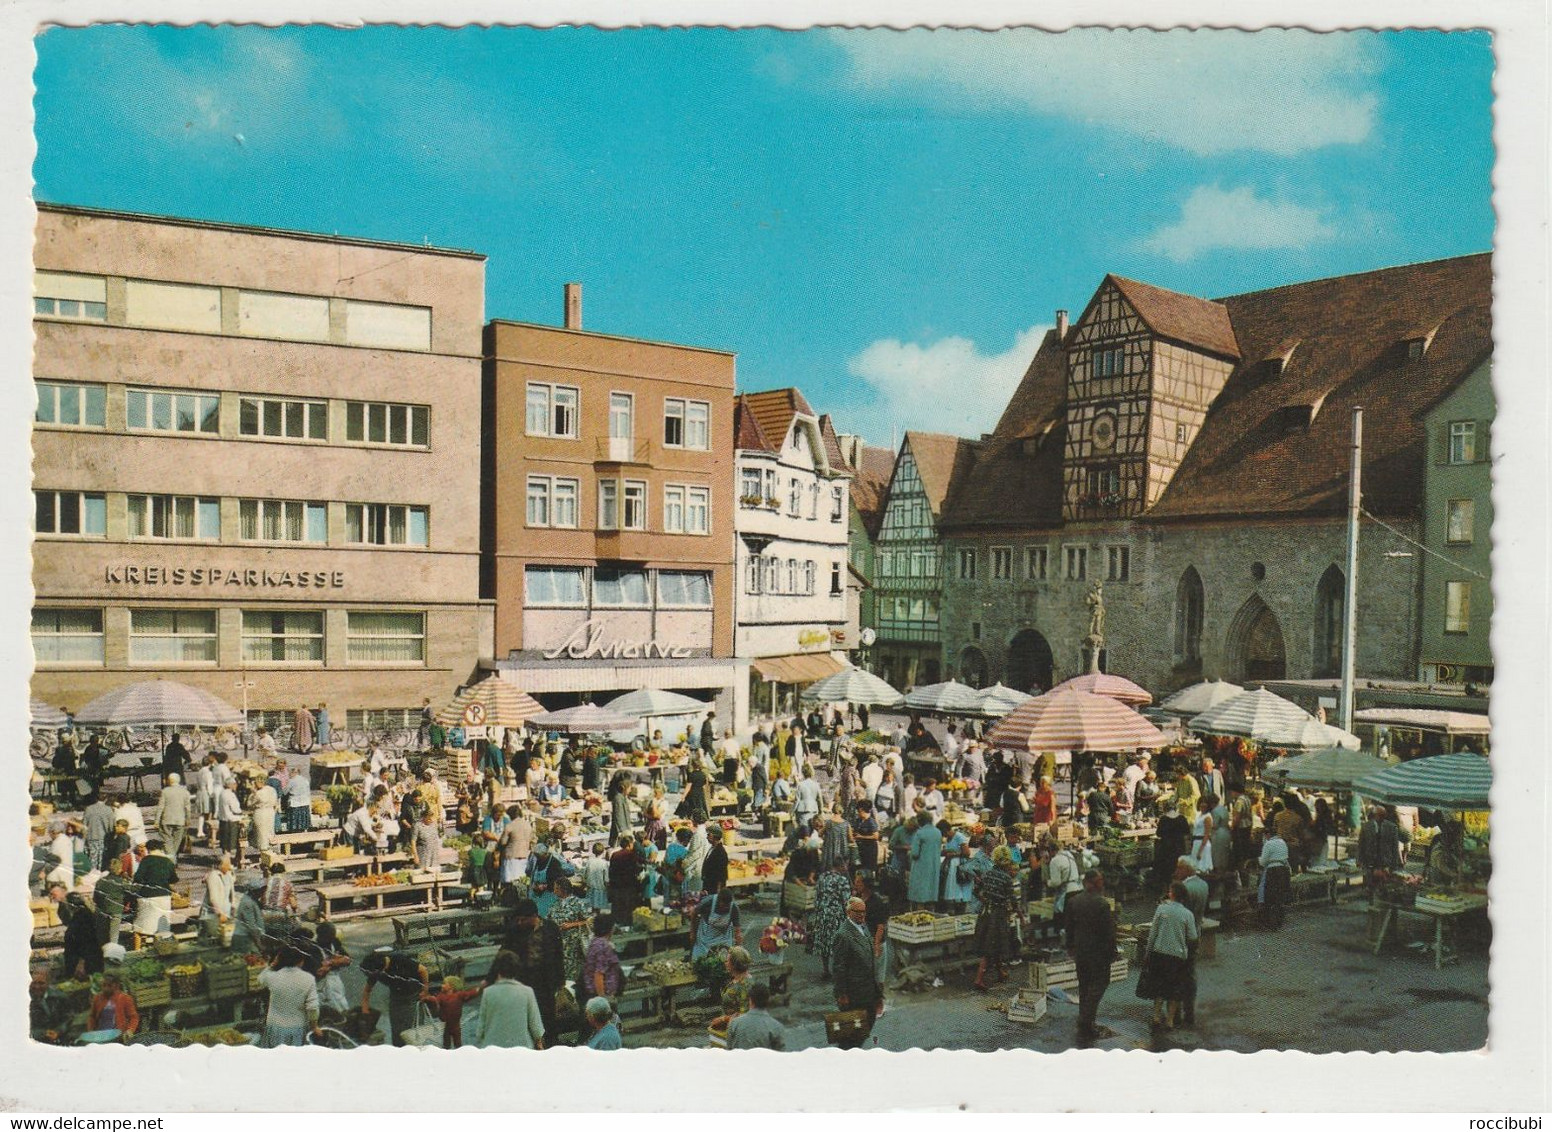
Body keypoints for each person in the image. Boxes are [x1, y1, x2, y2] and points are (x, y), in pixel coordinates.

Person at [1064, 868, 1119, 1045]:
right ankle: (1086, 1020)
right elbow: (1109, 933)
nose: (1101, 884)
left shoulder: (1074, 902)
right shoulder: (1102, 904)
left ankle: (1085, 1019)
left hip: (1081, 952)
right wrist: (1113, 953)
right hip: (1099, 953)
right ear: (1092, 883)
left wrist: (1070, 947)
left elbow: (1069, 928)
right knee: (1099, 984)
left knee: (1084, 985)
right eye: (1099, 881)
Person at [503, 898, 566, 1042]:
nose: (519, 923)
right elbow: (504, 954)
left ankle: (550, 1045)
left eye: (522, 920)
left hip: (546, 982)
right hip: (524, 982)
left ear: (534, 916)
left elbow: (558, 956)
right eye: (517, 920)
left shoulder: (551, 928)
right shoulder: (514, 931)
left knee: (548, 1019)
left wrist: (560, 984)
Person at [1143, 881, 1199, 1032]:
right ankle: (1169, 1021)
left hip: (1159, 953)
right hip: (1177, 956)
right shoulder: (1188, 914)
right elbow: (1193, 936)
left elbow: (1153, 933)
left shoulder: (1161, 909)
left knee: (1159, 987)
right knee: (1174, 990)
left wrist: (1147, 953)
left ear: (1172, 894)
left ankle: (1155, 1017)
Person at [830, 896, 884, 1048]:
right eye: (857, 912)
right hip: (854, 994)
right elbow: (839, 968)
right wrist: (842, 994)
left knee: (865, 1025)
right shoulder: (843, 935)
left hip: (868, 991)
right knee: (850, 1036)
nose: (862, 915)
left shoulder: (862, 927)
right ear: (848, 912)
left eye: (864, 912)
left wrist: (878, 992)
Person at [972, 846, 1022, 991]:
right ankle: (979, 979)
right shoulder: (1007, 878)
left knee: (994, 943)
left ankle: (1000, 972)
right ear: (1006, 861)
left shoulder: (987, 874)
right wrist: (1020, 916)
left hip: (985, 913)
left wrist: (986, 900)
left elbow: (976, 890)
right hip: (998, 915)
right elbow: (1013, 901)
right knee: (991, 946)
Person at [474, 949, 546, 1049]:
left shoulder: (488, 993)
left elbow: (480, 1030)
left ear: (497, 970)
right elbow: (536, 1028)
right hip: (522, 1048)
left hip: (493, 1049)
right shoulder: (527, 992)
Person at [360, 948, 430, 1047]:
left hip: (412, 996)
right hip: (396, 998)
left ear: (382, 969)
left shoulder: (400, 960)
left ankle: (415, 1053)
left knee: (412, 1030)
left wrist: (425, 990)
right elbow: (367, 990)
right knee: (397, 1030)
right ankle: (399, 1052)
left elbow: (423, 970)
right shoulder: (374, 968)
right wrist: (365, 1008)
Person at [259, 943, 323, 1047]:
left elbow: (260, 979)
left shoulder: (272, 977)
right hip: (298, 1028)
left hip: (275, 1027)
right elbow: (312, 1007)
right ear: (301, 960)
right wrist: (314, 1027)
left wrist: (273, 964)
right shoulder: (308, 979)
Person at [1174, 857, 1209, 1026]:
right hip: (1196, 933)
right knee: (1190, 973)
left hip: (1183, 936)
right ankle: (1190, 1011)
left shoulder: (1185, 888)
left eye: (1179, 868)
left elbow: (1181, 915)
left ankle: (1177, 1013)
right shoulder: (1203, 885)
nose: (1176, 871)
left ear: (1187, 869)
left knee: (1178, 974)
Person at [130, 837, 178, 946]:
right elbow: (174, 879)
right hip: (164, 897)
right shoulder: (168, 861)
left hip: (148, 896)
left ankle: (137, 951)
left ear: (148, 849)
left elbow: (138, 878)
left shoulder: (146, 860)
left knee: (140, 928)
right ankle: (161, 950)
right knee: (161, 928)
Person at [812, 862, 853, 978]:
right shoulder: (842, 880)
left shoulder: (822, 877)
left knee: (824, 943)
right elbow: (846, 901)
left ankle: (825, 970)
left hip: (823, 913)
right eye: (845, 865)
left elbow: (816, 897)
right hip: (836, 915)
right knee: (838, 944)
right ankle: (838, 970)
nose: (847, 868)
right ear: (840, 865)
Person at [421, 975, 482, 1049]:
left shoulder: (459, 995)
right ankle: (450, 1053)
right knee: (447, 1043)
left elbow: (470, 994)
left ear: (451, 986)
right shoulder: (441, 996)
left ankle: (457, 1053)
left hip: (455, 1025)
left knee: (457, 1043)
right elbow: (435, 1003)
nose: (442, 985)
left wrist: (480, 989)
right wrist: (429, 999)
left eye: (444, 984)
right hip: (446, 1025)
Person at [725, 981, 785, 1049]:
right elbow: (780, 1056)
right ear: (768, 1000)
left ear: (750, 1000)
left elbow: (729, 1050)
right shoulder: (777, 1027)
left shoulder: (734, 1024)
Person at [690, 888, 743, 959]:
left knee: (724, 962)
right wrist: (692, 932)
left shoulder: (734, 908)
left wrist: (738, 950)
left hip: (723, 939)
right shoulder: (708, 902)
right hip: (705, 938)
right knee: (700, 961)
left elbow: (738, 932)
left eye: (727, 905)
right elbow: (694, 913)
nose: (725, 908)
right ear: (719, 900)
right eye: (723, 905)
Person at [1257, 827, 1293, 928]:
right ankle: (1279, 921)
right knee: (1279, 896)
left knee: (1269, 895)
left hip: (1273, 870)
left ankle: (1268, 921)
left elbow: (1263, 862)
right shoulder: (1282, 842)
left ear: (1267, 834)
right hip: (1283, 869)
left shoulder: (1268, 844)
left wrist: (1258, 859)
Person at [583, 913, 624, 1000]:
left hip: (593, 992)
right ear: (609, 928)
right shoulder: (603, 946)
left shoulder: (595, 941)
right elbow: (598, 974)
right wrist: (602, 999)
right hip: (601, 994)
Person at [526, 843, 573, 919]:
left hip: (549, 895)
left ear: (545, 854)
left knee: (546, 916)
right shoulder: (536, 860)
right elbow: (528, 872)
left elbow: (559, 880)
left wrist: (545, 886)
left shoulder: (554, 863)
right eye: (536, 856)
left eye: (539, 856)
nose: (537, 858)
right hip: (536, 894)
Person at [94, 855, 131, 952]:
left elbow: (95, 897)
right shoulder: (121, 881)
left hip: (103, 910)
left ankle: (102, 952)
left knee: (104, 934)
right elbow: (132, 890)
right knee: (114, 935)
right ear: (119, 869)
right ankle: (112, 953)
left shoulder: (101, 881)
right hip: (116, 910)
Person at [495, 804, 534, 893]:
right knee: (522, 881)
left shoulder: (510, 826)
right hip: (525, 855)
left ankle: (509, 898)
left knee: (509, 881)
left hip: (511, 856)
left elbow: (503, 842)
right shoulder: (528, 825)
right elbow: (532, 839)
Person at [87, 973, 140, 1039]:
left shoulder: (125, 998)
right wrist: (90, 1030)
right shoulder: (97, 998)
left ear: (116, 986)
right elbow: (92, 1016)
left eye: (109, 986)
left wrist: (130, 1030)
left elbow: (133, 1017)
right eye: (104, 985)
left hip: (118, 1036)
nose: (106, 988)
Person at [907, 812, 943, 909]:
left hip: (921, 867)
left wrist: (909, 854)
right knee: (931, 893)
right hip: (934, 866)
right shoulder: (938, 832)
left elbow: (914, 853)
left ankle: (920, 917)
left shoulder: (920, 833)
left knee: (920, 896)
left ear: (920, 820)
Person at [1153, 801, 1190, 893]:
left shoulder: (1164, 819)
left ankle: (1169, 891)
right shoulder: (1182, 818)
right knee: (1178, 868)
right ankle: (1180, 888)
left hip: (1166, 848)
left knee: (1167, 870)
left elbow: (1158, 833)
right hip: (1179, 846)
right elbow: (1187, 831)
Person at [200, 854, 236, 943]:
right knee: (214, 939)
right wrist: (220, 913)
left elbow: (232, 888)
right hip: (213, 914)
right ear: (220, 865)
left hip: (225, 912)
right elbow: (213, 898)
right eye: (228, 864)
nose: (230, 866)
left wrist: (233, 907)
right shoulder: (213, 876)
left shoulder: (228, 874)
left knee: (225, 938)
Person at [247, 774, 280, 864]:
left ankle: (264, 858)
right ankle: (267, 853)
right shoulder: (272, 790)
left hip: (261, 813)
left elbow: (250, 804)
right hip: (270, 812)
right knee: (268, 833)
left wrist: (253, 792)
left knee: (262, 835)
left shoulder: (258, 793)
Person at [284, 769, 312, 833]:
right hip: (305, 802)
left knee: (295, 822)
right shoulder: (305, 780)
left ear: (294, 773)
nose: (289, 775)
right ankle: (304, 832)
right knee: (303, 820)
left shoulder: (291, 781)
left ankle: (294, 833)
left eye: (290, 773)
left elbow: (285, 792)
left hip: (295, 803)